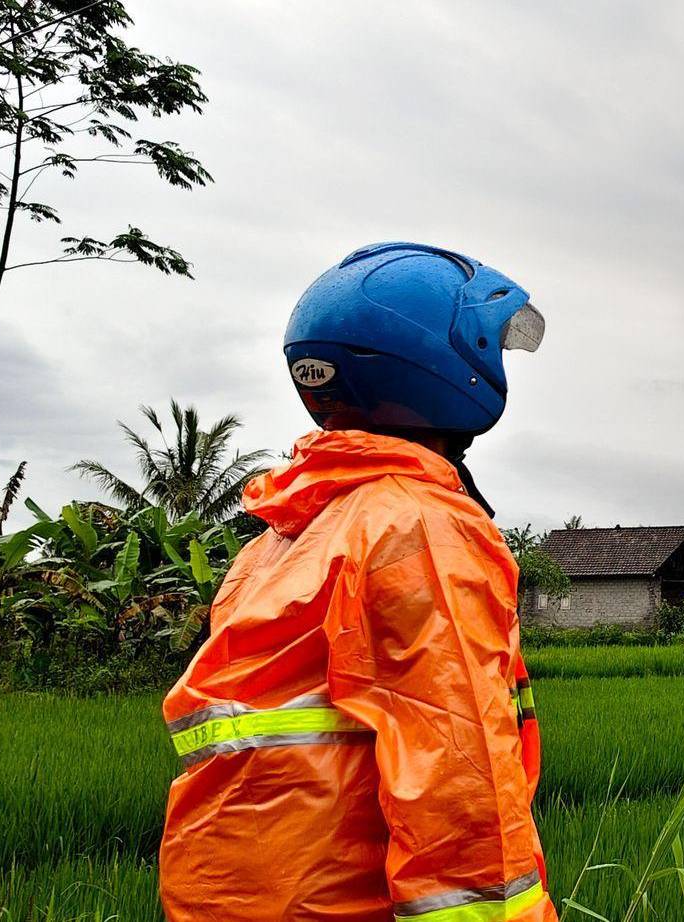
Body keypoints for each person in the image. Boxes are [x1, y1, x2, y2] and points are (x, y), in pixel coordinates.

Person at [159, 242, 557, 922]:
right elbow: (459, 782)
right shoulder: (419, 530)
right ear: (439, 363)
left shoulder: (283, 537)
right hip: (337, 904)